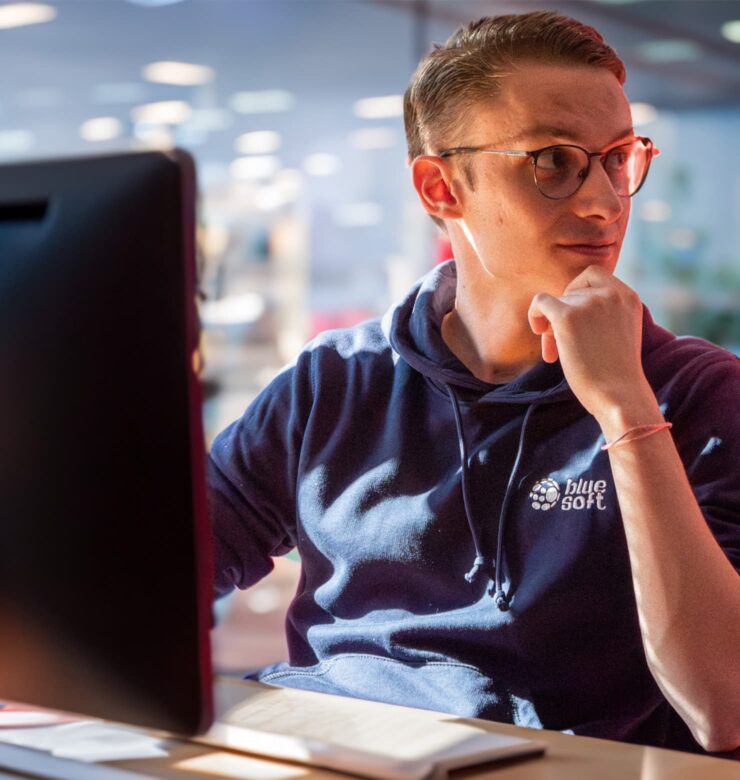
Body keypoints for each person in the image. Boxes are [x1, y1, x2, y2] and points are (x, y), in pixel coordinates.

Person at [207, 11, 740, 755]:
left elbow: (726, 705)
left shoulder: (700, 394)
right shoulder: (331, 382)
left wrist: (625, 409)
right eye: (553, 161)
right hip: (333, 747)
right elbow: (161, 569)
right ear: (439, 188)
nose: (605, 201)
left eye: (617, 159)